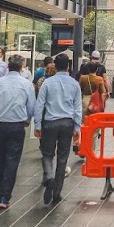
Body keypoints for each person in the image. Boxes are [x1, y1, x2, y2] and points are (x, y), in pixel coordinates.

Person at [0, 56, 35, 209]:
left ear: (8, 67)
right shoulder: (26, 84)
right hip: (16, 126)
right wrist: (28, 119)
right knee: (12, 160)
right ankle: (5, 195)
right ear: (21, 67)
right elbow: (31, 106)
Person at [34, 53, 81, 206]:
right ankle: (57, 193)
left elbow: (39, 104)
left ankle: (48, 178)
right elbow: (77, 108)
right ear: (68, 66)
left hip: (49, 122)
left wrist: (37, 125)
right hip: (67, 123)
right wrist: (77, 127)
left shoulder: (48, 83)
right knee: (62, 158)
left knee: (47, 153)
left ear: (55, 65)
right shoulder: (74, 84)